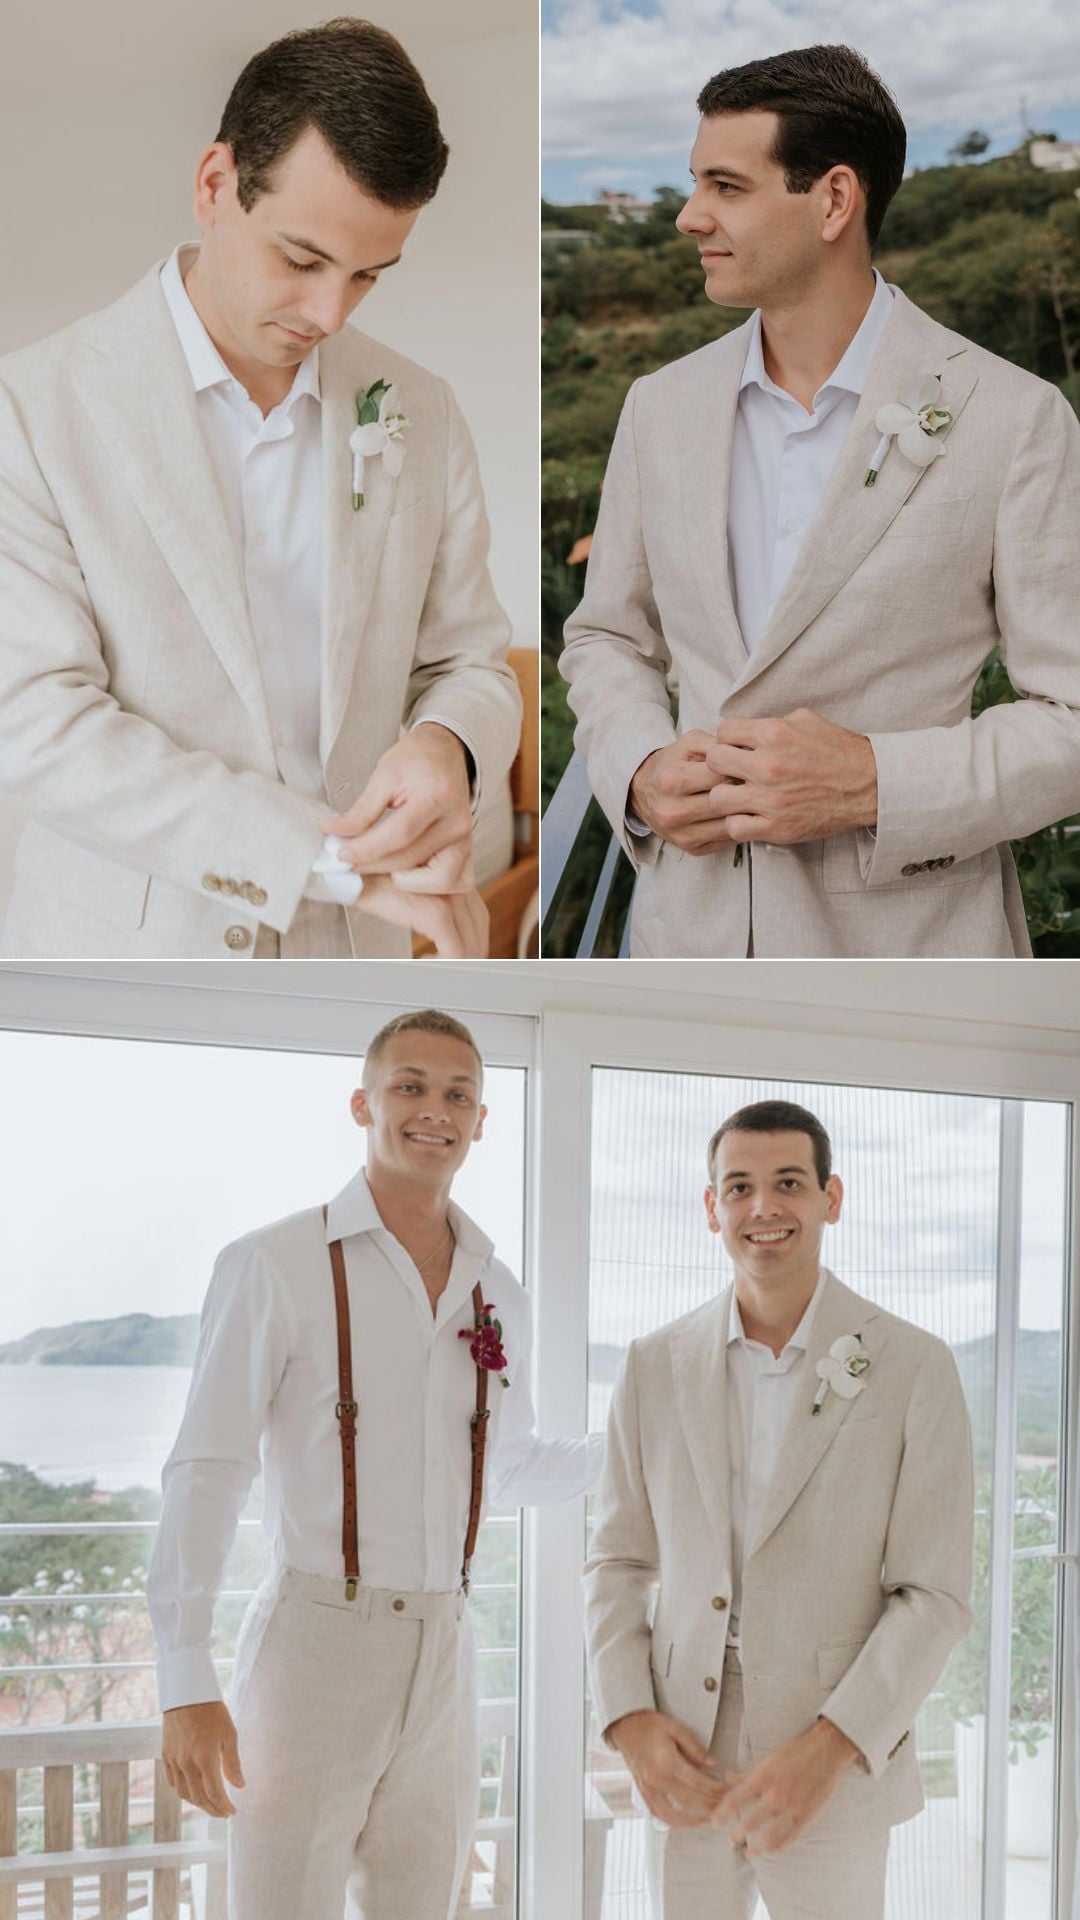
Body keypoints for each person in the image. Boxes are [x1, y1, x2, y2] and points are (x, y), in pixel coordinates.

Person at [0, 19, 520, 959]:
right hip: (123, 961)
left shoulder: (421, 409)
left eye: (368, 275)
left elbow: (471, 662)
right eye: (302, 258)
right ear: (214, 185)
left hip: (357, 956)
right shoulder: (30, 408)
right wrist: (320, 861)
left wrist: (448, 744)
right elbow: (34, 721)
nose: (329, 312)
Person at [559, 44, 1080, 958]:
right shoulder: (658, 406)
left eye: (726, 185)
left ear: (835, 199)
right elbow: (608, 637)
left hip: (913, 947)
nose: (689, 217)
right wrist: (639, 764)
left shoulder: (1017, 419)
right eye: (694, 184)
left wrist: (877, 781)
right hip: (687, 940)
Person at [147, 1007, 601, 1920]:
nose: (435, 1109)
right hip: (316, 1645)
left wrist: (633, 1450)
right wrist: (183, 1678)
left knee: (421, 1904)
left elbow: (502, 1470)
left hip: (447, 1648)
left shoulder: (495, 1291)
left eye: (458, 1094)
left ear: (481, 1121)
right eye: (410, 1086)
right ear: (363, 1103)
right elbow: (208, 1469)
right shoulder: (274, 1263)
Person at [584, 1099, 974, 1920]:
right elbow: (618, 1558)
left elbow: (933, 1594)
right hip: (684, 1752)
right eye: (739, 1187)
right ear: (712, 1207)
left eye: (788, 1183)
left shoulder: (913, 1366)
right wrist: (628, 1717)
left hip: (832, 1756)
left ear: (832, 1198)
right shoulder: (653, 1365)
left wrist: (830, 1748)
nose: (763, 1208)